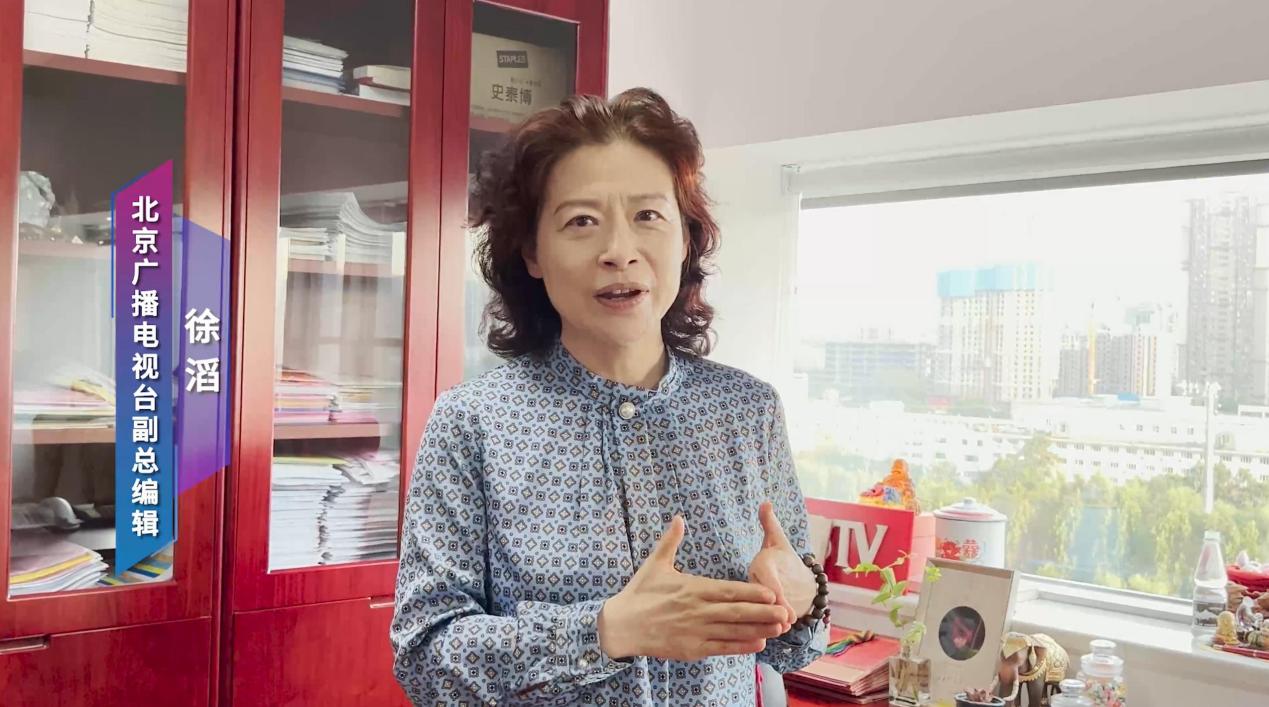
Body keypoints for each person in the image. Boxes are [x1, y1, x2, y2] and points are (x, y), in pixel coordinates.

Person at [390, 87, 827, 706]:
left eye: (648, 215)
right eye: (581, 221)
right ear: (533, 252)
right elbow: (425, 656)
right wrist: (606, 631)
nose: (619, 251)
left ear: (685, 239)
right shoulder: (474, 422)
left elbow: (795, 647)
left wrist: (802, 597)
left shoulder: (747, 410)